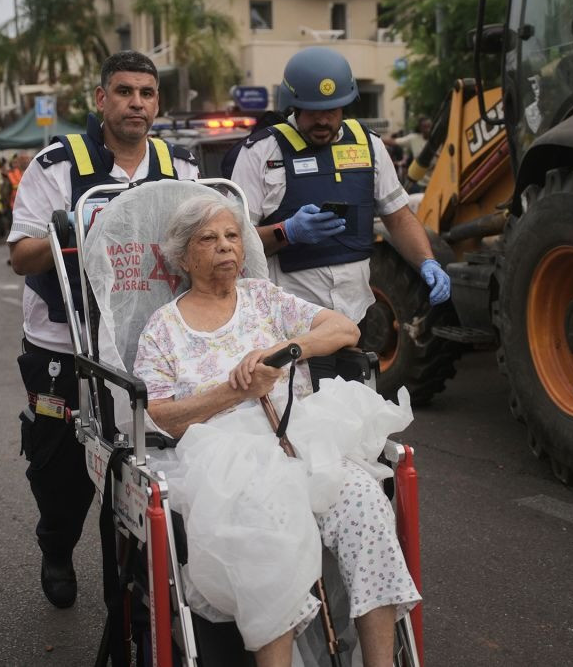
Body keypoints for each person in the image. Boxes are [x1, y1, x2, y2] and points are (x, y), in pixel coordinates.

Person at [131, 195, 419, 667]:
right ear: (184, 257)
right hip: (226, 460)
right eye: (209, 238)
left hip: (299, 438)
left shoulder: (263, 298)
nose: (226, 246)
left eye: (232, 236)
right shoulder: (164, 329)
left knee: (365, 500)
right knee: (270, 527)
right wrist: (232, 391)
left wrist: (286, 349)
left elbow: (344, 329)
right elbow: (159, 415)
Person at [7, 50, 198, 609]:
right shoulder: (55, 167)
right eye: (123, 92)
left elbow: (207, 236)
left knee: (147, 464)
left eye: (146, 93)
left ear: (157, 103)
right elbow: (21, 257)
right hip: (66, 344)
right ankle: (57, 545)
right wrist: (74, 232)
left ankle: (140, 579)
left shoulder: (180, 166)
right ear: (100, 99)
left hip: (147, 345)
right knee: (61, 470)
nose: (135, 103)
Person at [229, 46, 451, 341]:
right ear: (294, 106)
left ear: (346, 105)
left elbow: (397, 216)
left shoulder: (368, 145)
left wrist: (427, 262)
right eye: (313, 112)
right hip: (287, 321)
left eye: (331, 111)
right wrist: (288, 232)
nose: (323, 121)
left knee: (355, 388)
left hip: (356, 316)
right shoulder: (260, 152)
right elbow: (233, 239)